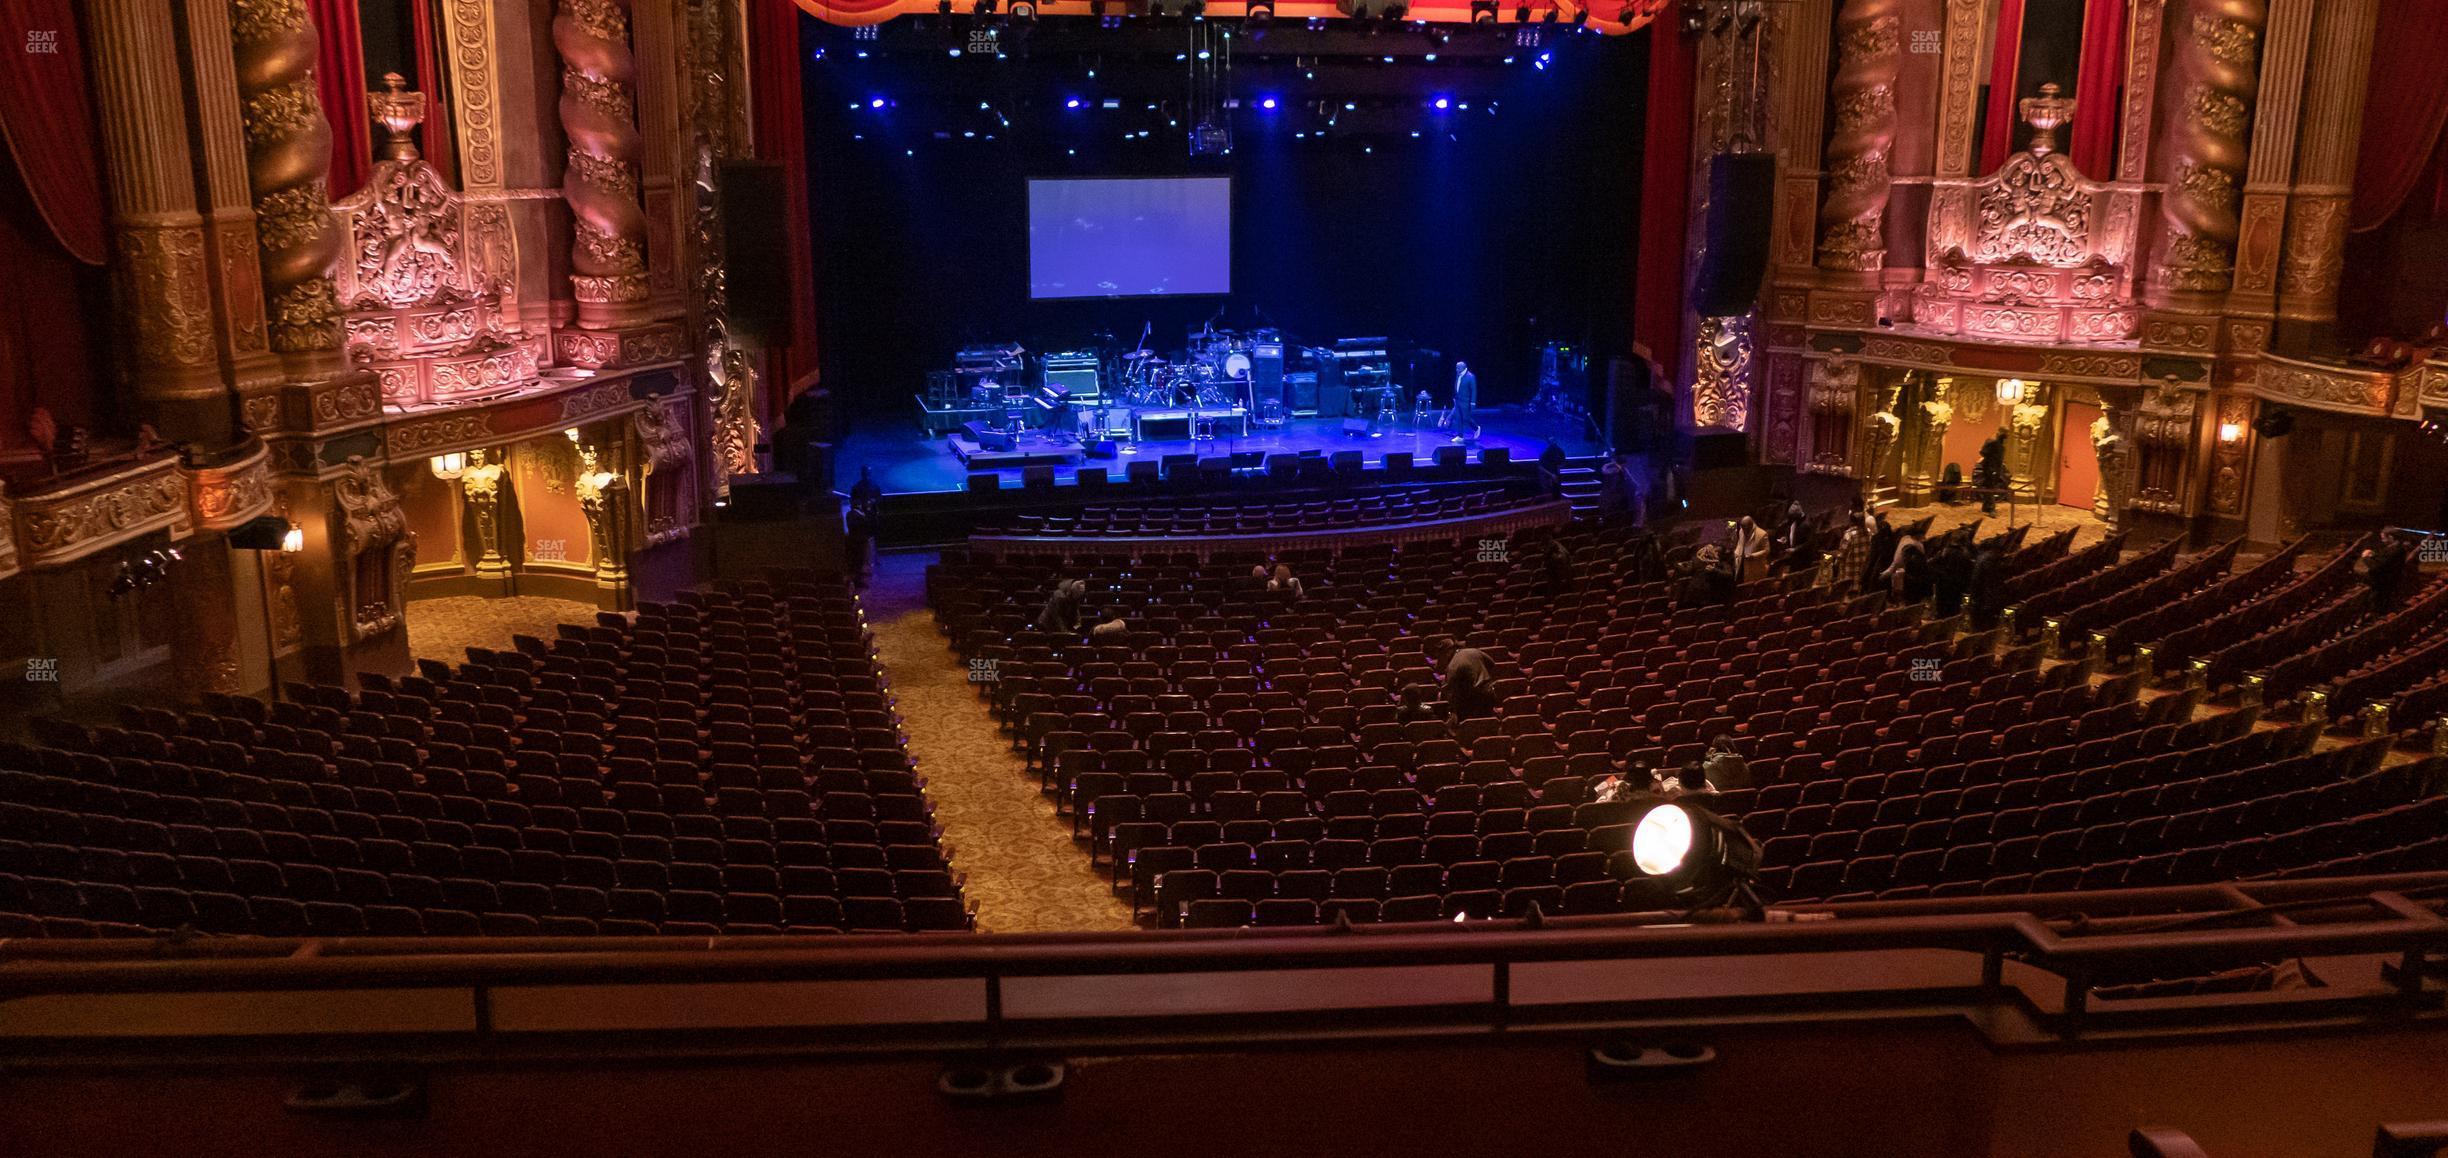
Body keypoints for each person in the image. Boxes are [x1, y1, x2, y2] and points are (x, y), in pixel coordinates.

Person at [1441, 645, 1499, 721]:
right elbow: (1492, 664)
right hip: (1489, 692)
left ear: (1447, 653)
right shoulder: (1474, 651)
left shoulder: (1452, 666)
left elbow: (1449, 691)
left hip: (1472, 702)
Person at [1731, 516, 1773, 584]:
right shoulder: (1741, 531)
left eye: (1745, 528)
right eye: (1742, 527)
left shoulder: (1762, 534)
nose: (1744, 530)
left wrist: (1753, 556)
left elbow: (1766, 550)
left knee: (1752, 585)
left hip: (1755, 566)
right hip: (1741, 563)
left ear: (1751, 525)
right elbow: (1740, 544)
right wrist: (1736, 553)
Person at [1973, 434, 2008, 516]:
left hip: (1993, 468)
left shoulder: (1999, 445)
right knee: (1990, 488)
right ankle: (1991, 508)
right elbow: (1984, 452)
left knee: (1989, 487)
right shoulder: (1995, 444)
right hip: (1991, 468)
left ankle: (1986, 506)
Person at [1449, 361, 1479, 444]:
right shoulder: (1458, 375)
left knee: (1466, 418)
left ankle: (1476, 428)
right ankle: (1460, 436)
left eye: (1458, 367)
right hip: (1458, 400)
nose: (1456, 369)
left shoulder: (1470, 376)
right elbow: (1456, 386)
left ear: (1463, 367)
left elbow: (1474, 390)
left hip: (1466, 402)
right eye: (1456, 367)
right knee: (1458, 418)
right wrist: (1455, 397)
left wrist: (1473, 403)